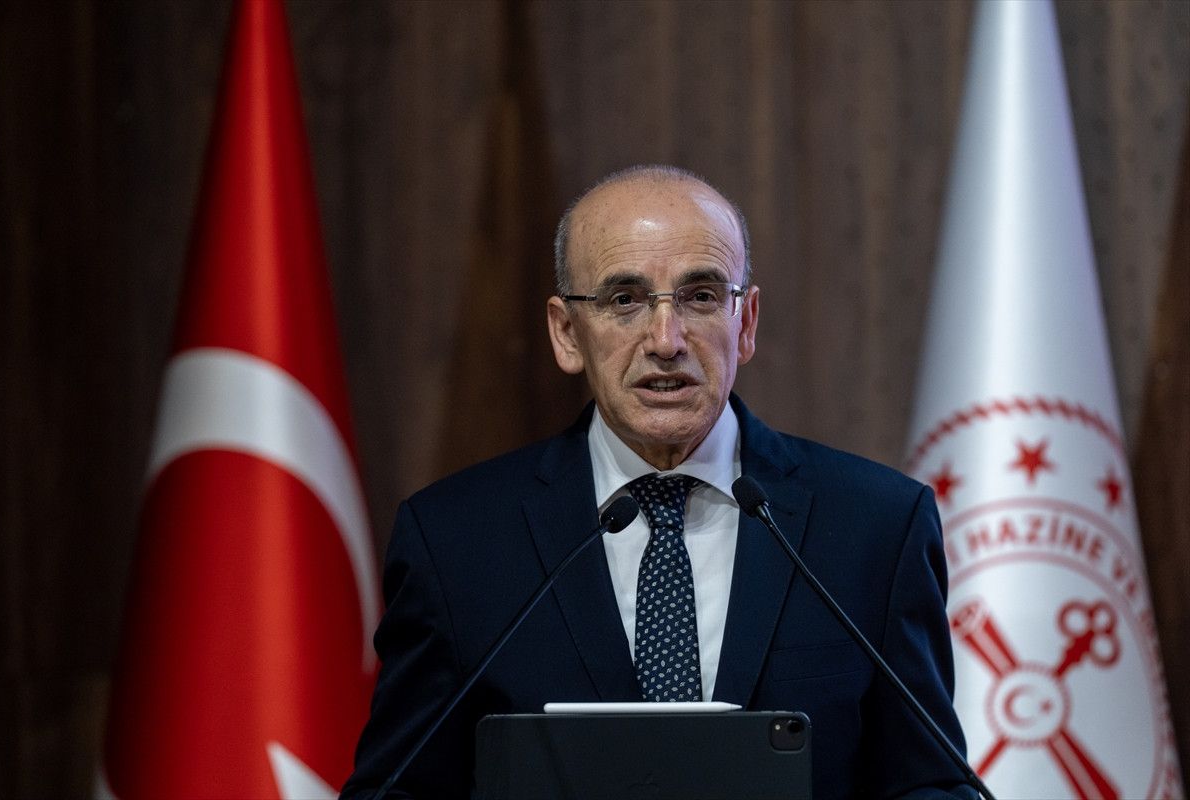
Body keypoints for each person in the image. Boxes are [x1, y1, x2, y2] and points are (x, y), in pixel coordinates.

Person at [341, 166, 977, 799]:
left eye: (700, 296)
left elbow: (929, 786)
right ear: (566, 333)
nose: (666, 341)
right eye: (625, 300)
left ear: (746, 322)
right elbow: (395, 791)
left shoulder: (876, 527)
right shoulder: (455, 542)